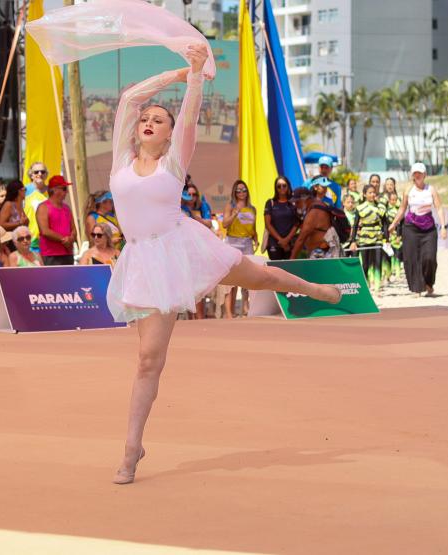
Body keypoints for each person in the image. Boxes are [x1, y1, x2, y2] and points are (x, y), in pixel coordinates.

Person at [106, 44, 340, 485]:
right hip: (143, 263)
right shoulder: (121, 161)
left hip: (183, 247)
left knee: (260, 276)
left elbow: (190, 115)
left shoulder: (174, 161)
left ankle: (311, 289)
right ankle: (132, 447)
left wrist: (195, 76)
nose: (148, 121)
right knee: (148, 361)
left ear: (170, 135)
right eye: (145, 119)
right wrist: (176, 74)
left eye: (159, 120)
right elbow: (129, 98)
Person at [388, 162, 447, 296]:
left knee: (429, 258)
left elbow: (439, 208)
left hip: (428, 228)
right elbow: (402, 209)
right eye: (415, 173)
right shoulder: (408, 190)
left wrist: (443, 226)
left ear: (424, 174)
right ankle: (417, 288)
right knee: (412, 258)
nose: (417, 175)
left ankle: (428, 283)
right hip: (411, 227)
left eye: (420, 173)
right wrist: (394, 224)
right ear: (412, 175)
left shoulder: (431, 189)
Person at [222, 180, 258, 318]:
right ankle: (229, 313)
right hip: (233, 242)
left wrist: (255, 238)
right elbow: (224, 224)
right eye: (238, 190)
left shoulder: (252, 208)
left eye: (244, 190)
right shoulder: (230, 206)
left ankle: (245, 308)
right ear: (234, 192)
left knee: (248, 275)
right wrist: (234, 214)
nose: (242, 193)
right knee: (231, 278)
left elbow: (252, 228)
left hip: (247, 242)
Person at [349, 185, 387, 294]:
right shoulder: (360, 208)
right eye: (370, 192)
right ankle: (366, 285)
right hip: (364, 238)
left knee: (378, 263)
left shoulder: (381, 207)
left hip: (378, 238)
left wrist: (386, 239)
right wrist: (353, 241)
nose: (372, 194)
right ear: (365, 194)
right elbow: (355, 225)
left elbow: (385, 224)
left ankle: (377, 288)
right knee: (365, 264)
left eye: (374, 192)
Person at [290, 183, 341, 259]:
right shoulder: (318, 206)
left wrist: (291, 260)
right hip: (323, 252)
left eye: (297, 202)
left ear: (305, 199)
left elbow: (301, 239)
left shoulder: (314, 212)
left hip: (322, 254)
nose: (296, 205)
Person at [36, 175, 77, 266]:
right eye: (64, 189)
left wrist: (71, 238)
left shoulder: (67, 208)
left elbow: (73, 229)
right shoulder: (43, 207)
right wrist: (64, 240)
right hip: (51, 254)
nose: (66, 192)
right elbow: (45, 231)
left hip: (67, 253)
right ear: (55, 190)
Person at [263, 176, 299, 261]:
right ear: (276, 188)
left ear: (288, 186)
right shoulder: (270, 203)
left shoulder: (294, 203)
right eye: (279, 186)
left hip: (290, 243)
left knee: (290, 268)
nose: (282, 188)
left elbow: (297, 223)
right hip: (274, 243)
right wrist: (281, 240)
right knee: (275, 268)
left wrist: (286, 240)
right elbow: (268, 224)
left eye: (284, 185)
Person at [24, 162, 50, 251]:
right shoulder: (24, 191)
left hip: (49, 239)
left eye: (42, 172)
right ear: (31, 175)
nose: (40, 174)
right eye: (36, 172)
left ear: (46, 175)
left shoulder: (52, 191)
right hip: (29, 241)